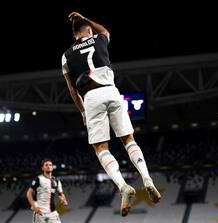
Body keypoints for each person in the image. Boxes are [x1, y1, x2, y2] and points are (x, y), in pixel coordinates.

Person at [61, 12, 161, 217]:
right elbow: (105, 30)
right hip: (112, 91)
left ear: (74, 36)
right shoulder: (99, 38)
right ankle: (147, 179)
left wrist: (82, 111)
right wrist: (86, 18)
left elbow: (71, 89)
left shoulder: (66, 55)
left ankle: (123, 186)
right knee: (128, 139)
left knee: (101, 148)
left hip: (90, 96)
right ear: (88, 31)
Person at [27, 158, 68, 223]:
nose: (48, 166)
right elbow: (29, 193)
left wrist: (63, 200)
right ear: (42, 168)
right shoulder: (38, 179)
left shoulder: (56, 181)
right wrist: (34, 206)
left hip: (52, 213)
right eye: (46, 165)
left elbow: (61, 194)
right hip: (40, 213)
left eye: (50, 165)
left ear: (52, 167)